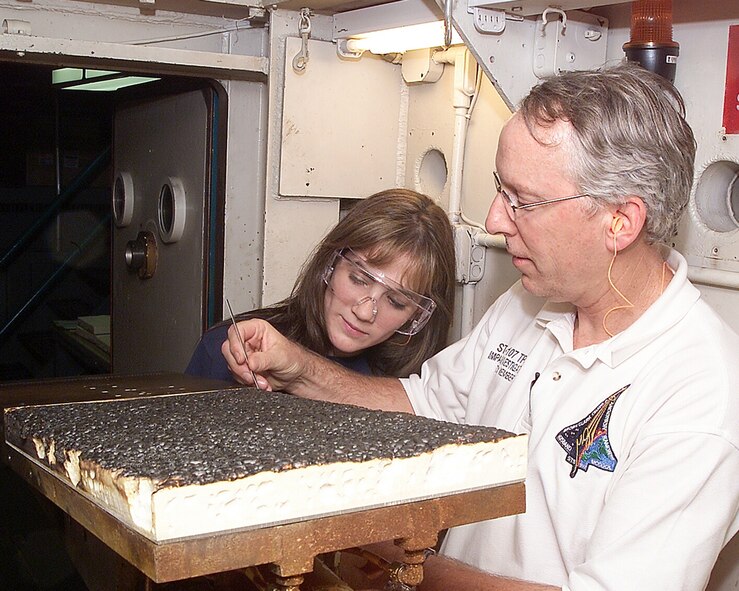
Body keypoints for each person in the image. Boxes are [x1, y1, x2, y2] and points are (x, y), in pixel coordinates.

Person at [223, 62, 739, 591]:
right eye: (499, 190)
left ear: (620, 222)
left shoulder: (701, 392)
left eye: (522, 200)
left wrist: (397, 557)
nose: (494, 219)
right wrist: (298, 370)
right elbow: (427, 409)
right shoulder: (531, 302)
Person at [185, 188, 456, 381]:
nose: (364, 312)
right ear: (331, 262)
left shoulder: (420, 393)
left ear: (418, 317)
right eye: (358, 279)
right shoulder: (225, 351)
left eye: (396, 301)